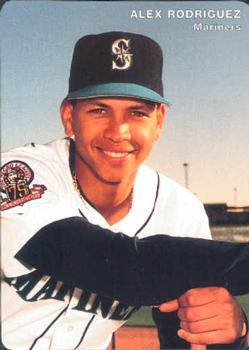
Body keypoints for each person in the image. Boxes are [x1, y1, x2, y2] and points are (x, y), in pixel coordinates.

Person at [1, 31, 248, 350]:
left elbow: (182, 337)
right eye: (98, 110)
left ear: (159, 122)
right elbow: (121, 267)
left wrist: (230, 334)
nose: (118, 131)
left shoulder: (179, 209)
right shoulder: (20, 173)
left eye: (138, 112)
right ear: (69, 117)